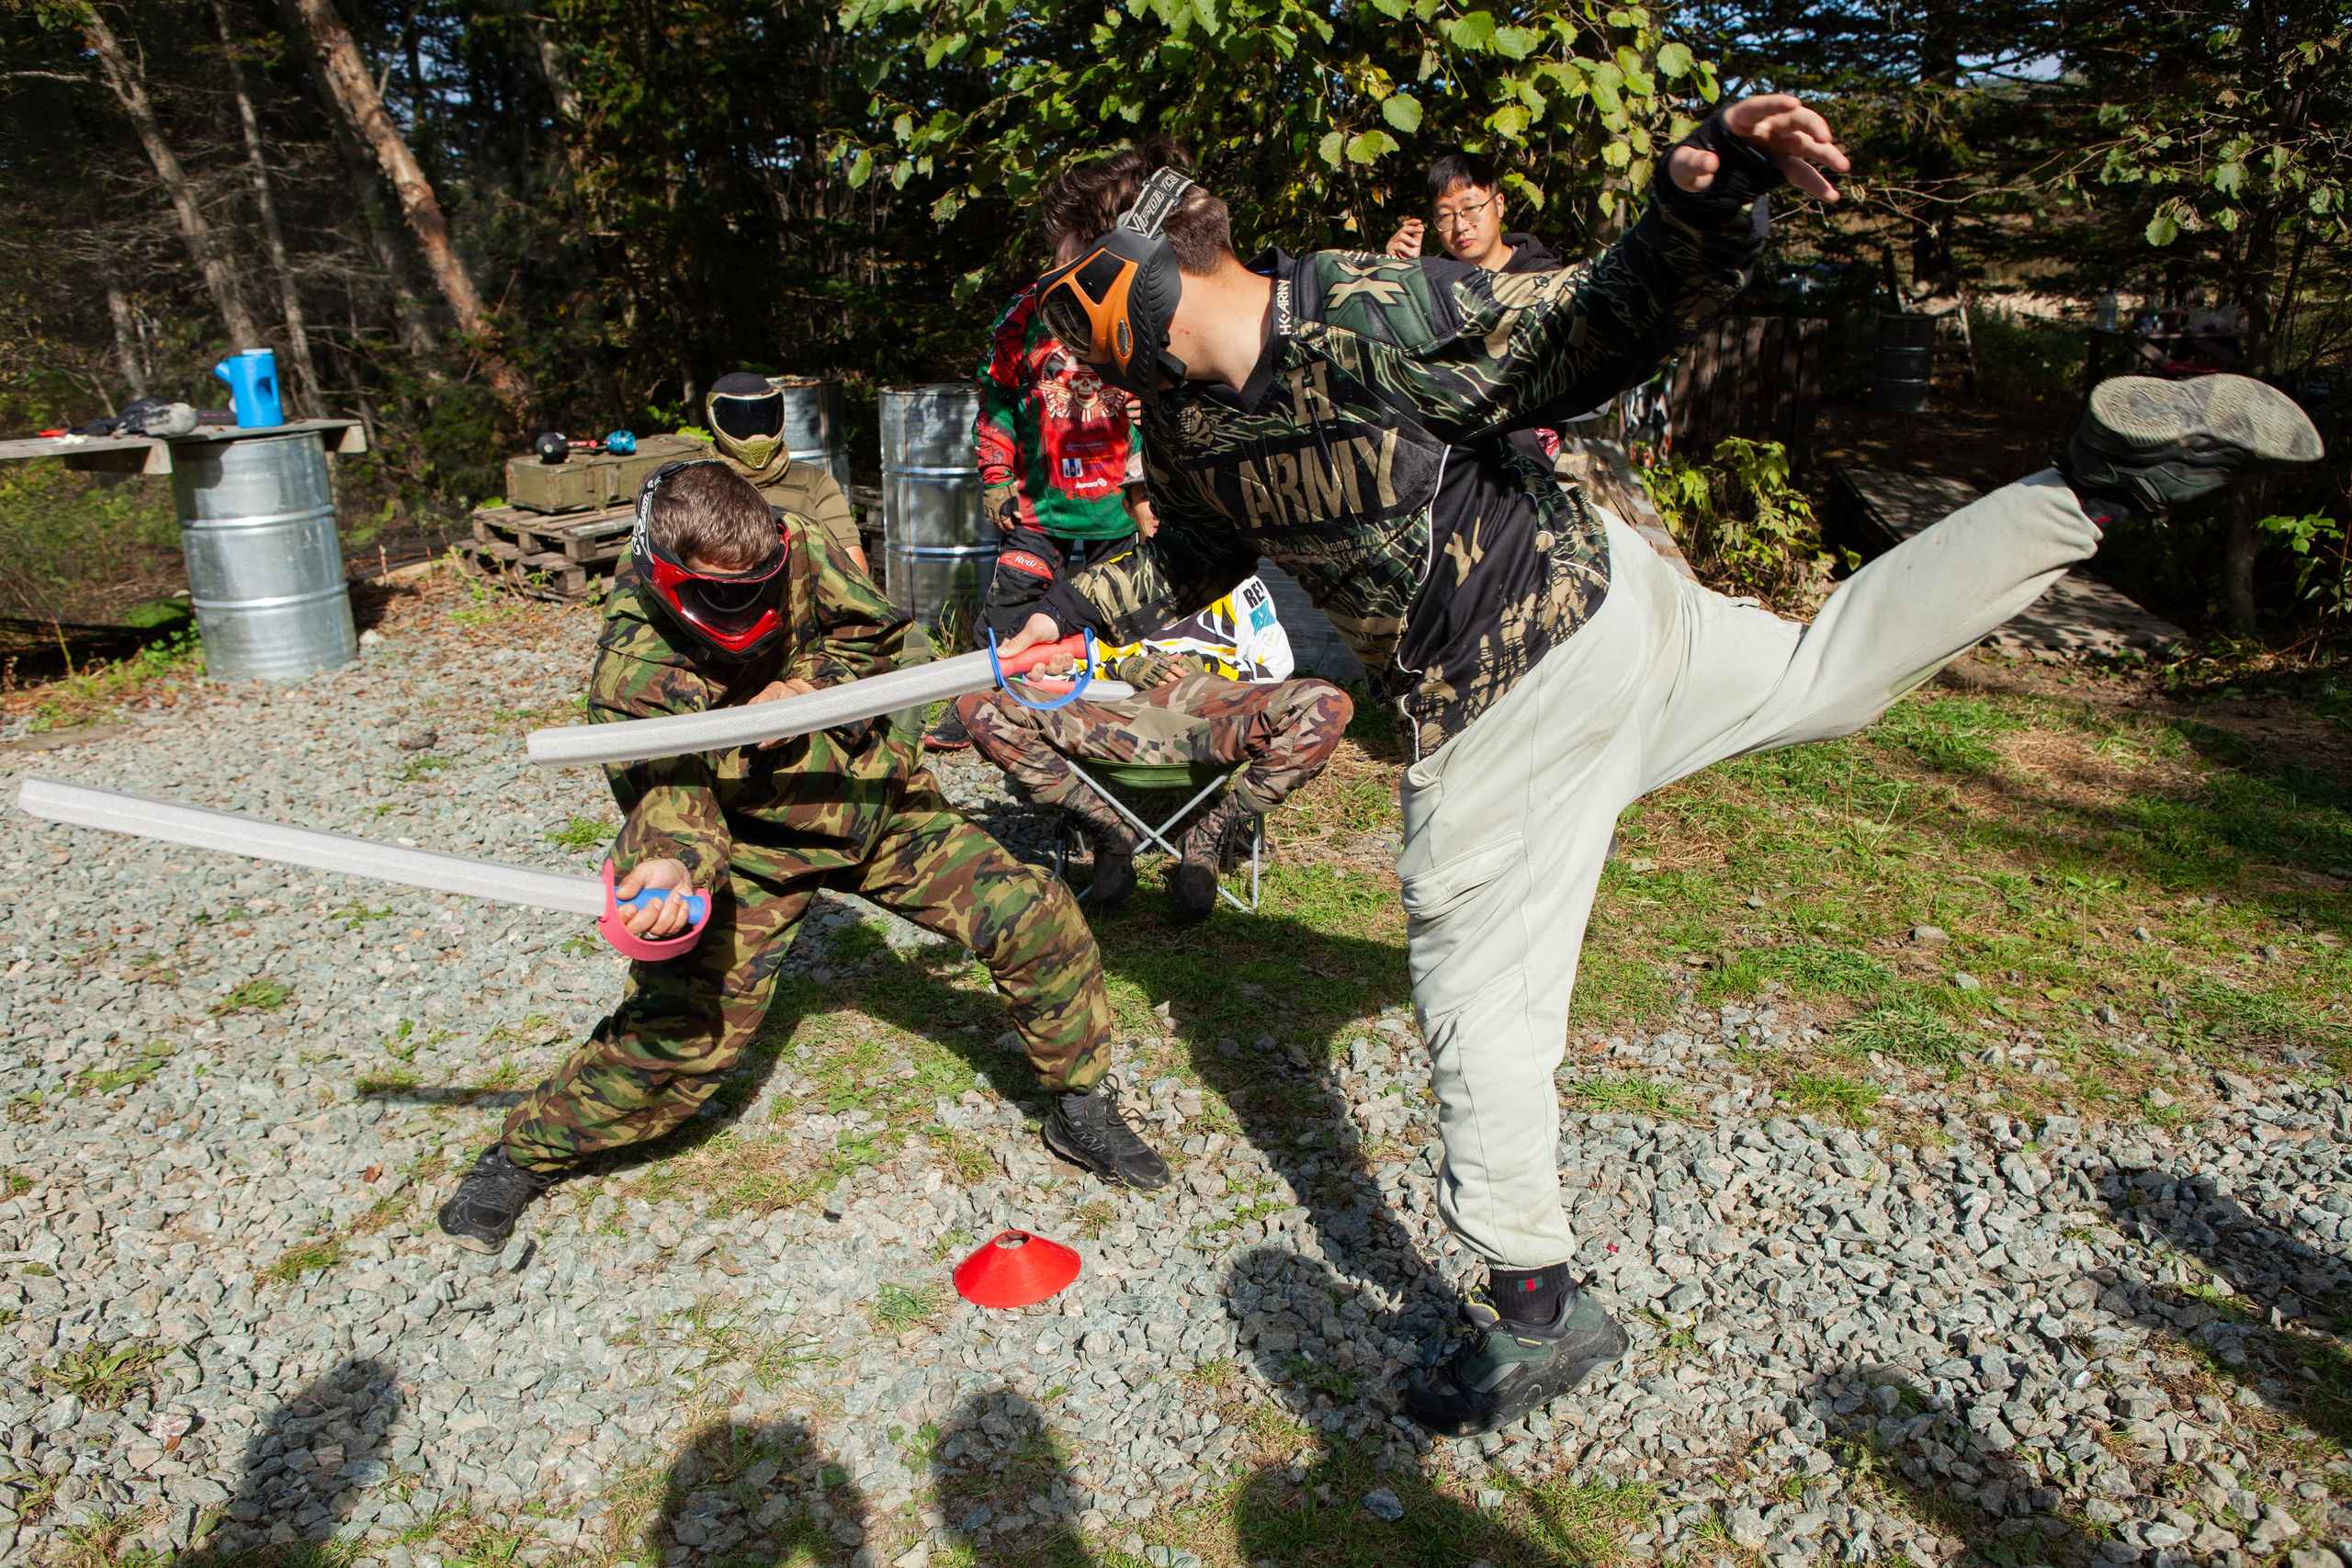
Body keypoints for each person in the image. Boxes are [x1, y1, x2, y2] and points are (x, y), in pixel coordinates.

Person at [1001, 108, 2325, 1437]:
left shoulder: (1362, 305)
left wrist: (1701, 203)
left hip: (1514, 678)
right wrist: (1071, 606)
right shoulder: (1188, 420)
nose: (1068, 341)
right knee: (1824, 671)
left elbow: (1591, 322)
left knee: (1477, 999)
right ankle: (2090, 488)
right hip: (1614, 609)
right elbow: (1200, 549)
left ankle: (1539, 1315)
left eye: (1068, 302)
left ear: (1127, 279)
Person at [435, 461, 1172, 1255]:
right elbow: (668, 799)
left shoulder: (795, 546)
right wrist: (672, 869)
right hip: (752, 847)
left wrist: (805, 687)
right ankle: (522, 1155)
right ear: (668, 575)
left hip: (867, 798)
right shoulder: (636, 669)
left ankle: (1079, 1105)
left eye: (760, 584)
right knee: (680, 1044)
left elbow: (876, 637)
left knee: (1034, 915)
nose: (749, 605)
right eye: (724, 594)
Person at [956, 460, 1353, 919]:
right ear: (1128, 506)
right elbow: (1066, 670)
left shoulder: (1236, 580)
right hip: (1115, 718)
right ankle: (1107, 829)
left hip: (1210, 715)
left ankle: (1211, 832)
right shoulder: (1100, 583)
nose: (1162, 508)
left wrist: (1204, 666)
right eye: (1148, 495)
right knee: (977, 704)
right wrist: (1123, 666)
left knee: (1327, 704)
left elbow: (1275, 665)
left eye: (1177, 496)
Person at [925, 287, 1145, 752]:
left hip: (1121, 504)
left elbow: (1181, 381)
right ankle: (971, 707)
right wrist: (996, 473)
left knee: (1121, 617)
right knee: (1006, 611)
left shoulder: (1137, 299)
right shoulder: (1026, 310)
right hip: (1038, 507)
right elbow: (996, 394)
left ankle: (1115, 721)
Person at [694, 372, 871, 576]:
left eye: (763, 417)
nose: (756, 432)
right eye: (741, 419)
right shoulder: (692, 482)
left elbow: (855, 571)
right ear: (715, 418)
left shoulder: (813, 482)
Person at [1383, 148, 1562, 275]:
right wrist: (1401, 274)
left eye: (1469, 209)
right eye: (1445, 216)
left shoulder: (1546, 280)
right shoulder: (1436, 285)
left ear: (1499, 205)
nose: (1460, 226)